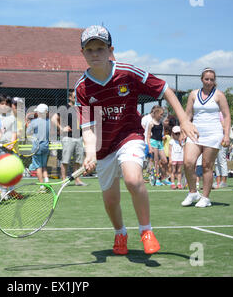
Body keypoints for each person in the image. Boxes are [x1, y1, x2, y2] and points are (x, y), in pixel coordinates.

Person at [76, 25, 198, 255]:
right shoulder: (82, 87)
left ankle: (146, 230)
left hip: (128, 136)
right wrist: (90, 153)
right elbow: (88, 128)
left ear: (110, 50)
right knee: (111, 200)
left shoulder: (128, 72)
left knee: (133, 180)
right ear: (82, 53)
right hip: (102, 147)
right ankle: (120, 233)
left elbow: (165, 90)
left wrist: (184, 120)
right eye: (89, 49)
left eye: (100, 48)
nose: (95, 54)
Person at [182, 68, 230, 208]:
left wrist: (226, 135)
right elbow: (187, 115)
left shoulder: (219, 95)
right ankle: (193, 192)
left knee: (206, 166)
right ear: (201, 79)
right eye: (206, 79)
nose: (209, 82)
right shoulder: (193, 94)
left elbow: (227, 116)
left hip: (213, 133)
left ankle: (206, 198)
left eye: (212, 79)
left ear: (214, 81)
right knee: (188, 162)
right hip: (195, 133)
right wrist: (184, 130)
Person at [51, 91, 87, 186]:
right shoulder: (64, 108)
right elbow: (53, 118)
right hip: (68, 138)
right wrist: (62, 128)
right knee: (65, 160)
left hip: (79, 137)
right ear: (70, 98)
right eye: (75, 97)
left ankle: (77, 180)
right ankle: (64, 180)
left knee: (78, 161)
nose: (76, 98)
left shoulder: (80, 108)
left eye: (78, 97)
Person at [0, 95, 17, 198]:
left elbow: (14, 132)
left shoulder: (12, 117)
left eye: (6, 104)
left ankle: (6, 191)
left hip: (7, 148)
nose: (4, 106)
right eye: (2, 104)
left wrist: (12, 144)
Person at [27, 103, 50, 184]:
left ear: (39, 112)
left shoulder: (34, 122)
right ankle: (47, 181)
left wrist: (28, 125)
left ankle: (42, 185)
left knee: (38, 167)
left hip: (37, 147)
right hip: (46, 146)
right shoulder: (49, 122)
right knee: (43, 166)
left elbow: (28, 133)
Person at [147, 106, 169, 185]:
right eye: (161, 114)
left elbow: (161, 133)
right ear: (156, 114)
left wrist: (163, 137)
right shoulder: (151, 123)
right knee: (156, 161)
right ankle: (156, 180)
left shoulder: (161, 123)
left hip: (160, 143)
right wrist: (150, 147)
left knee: (165, 161)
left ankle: (164, 178)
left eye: (162, 114)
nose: (162, 116)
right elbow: (148, 136)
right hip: (154, 142)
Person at [213, 112, 229, 189]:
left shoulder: (220, 114)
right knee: (216, 162)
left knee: (222, 160)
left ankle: (224, 181)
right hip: (214, 140)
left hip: (221, 139)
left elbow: (224, 126)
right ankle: (218, 181)